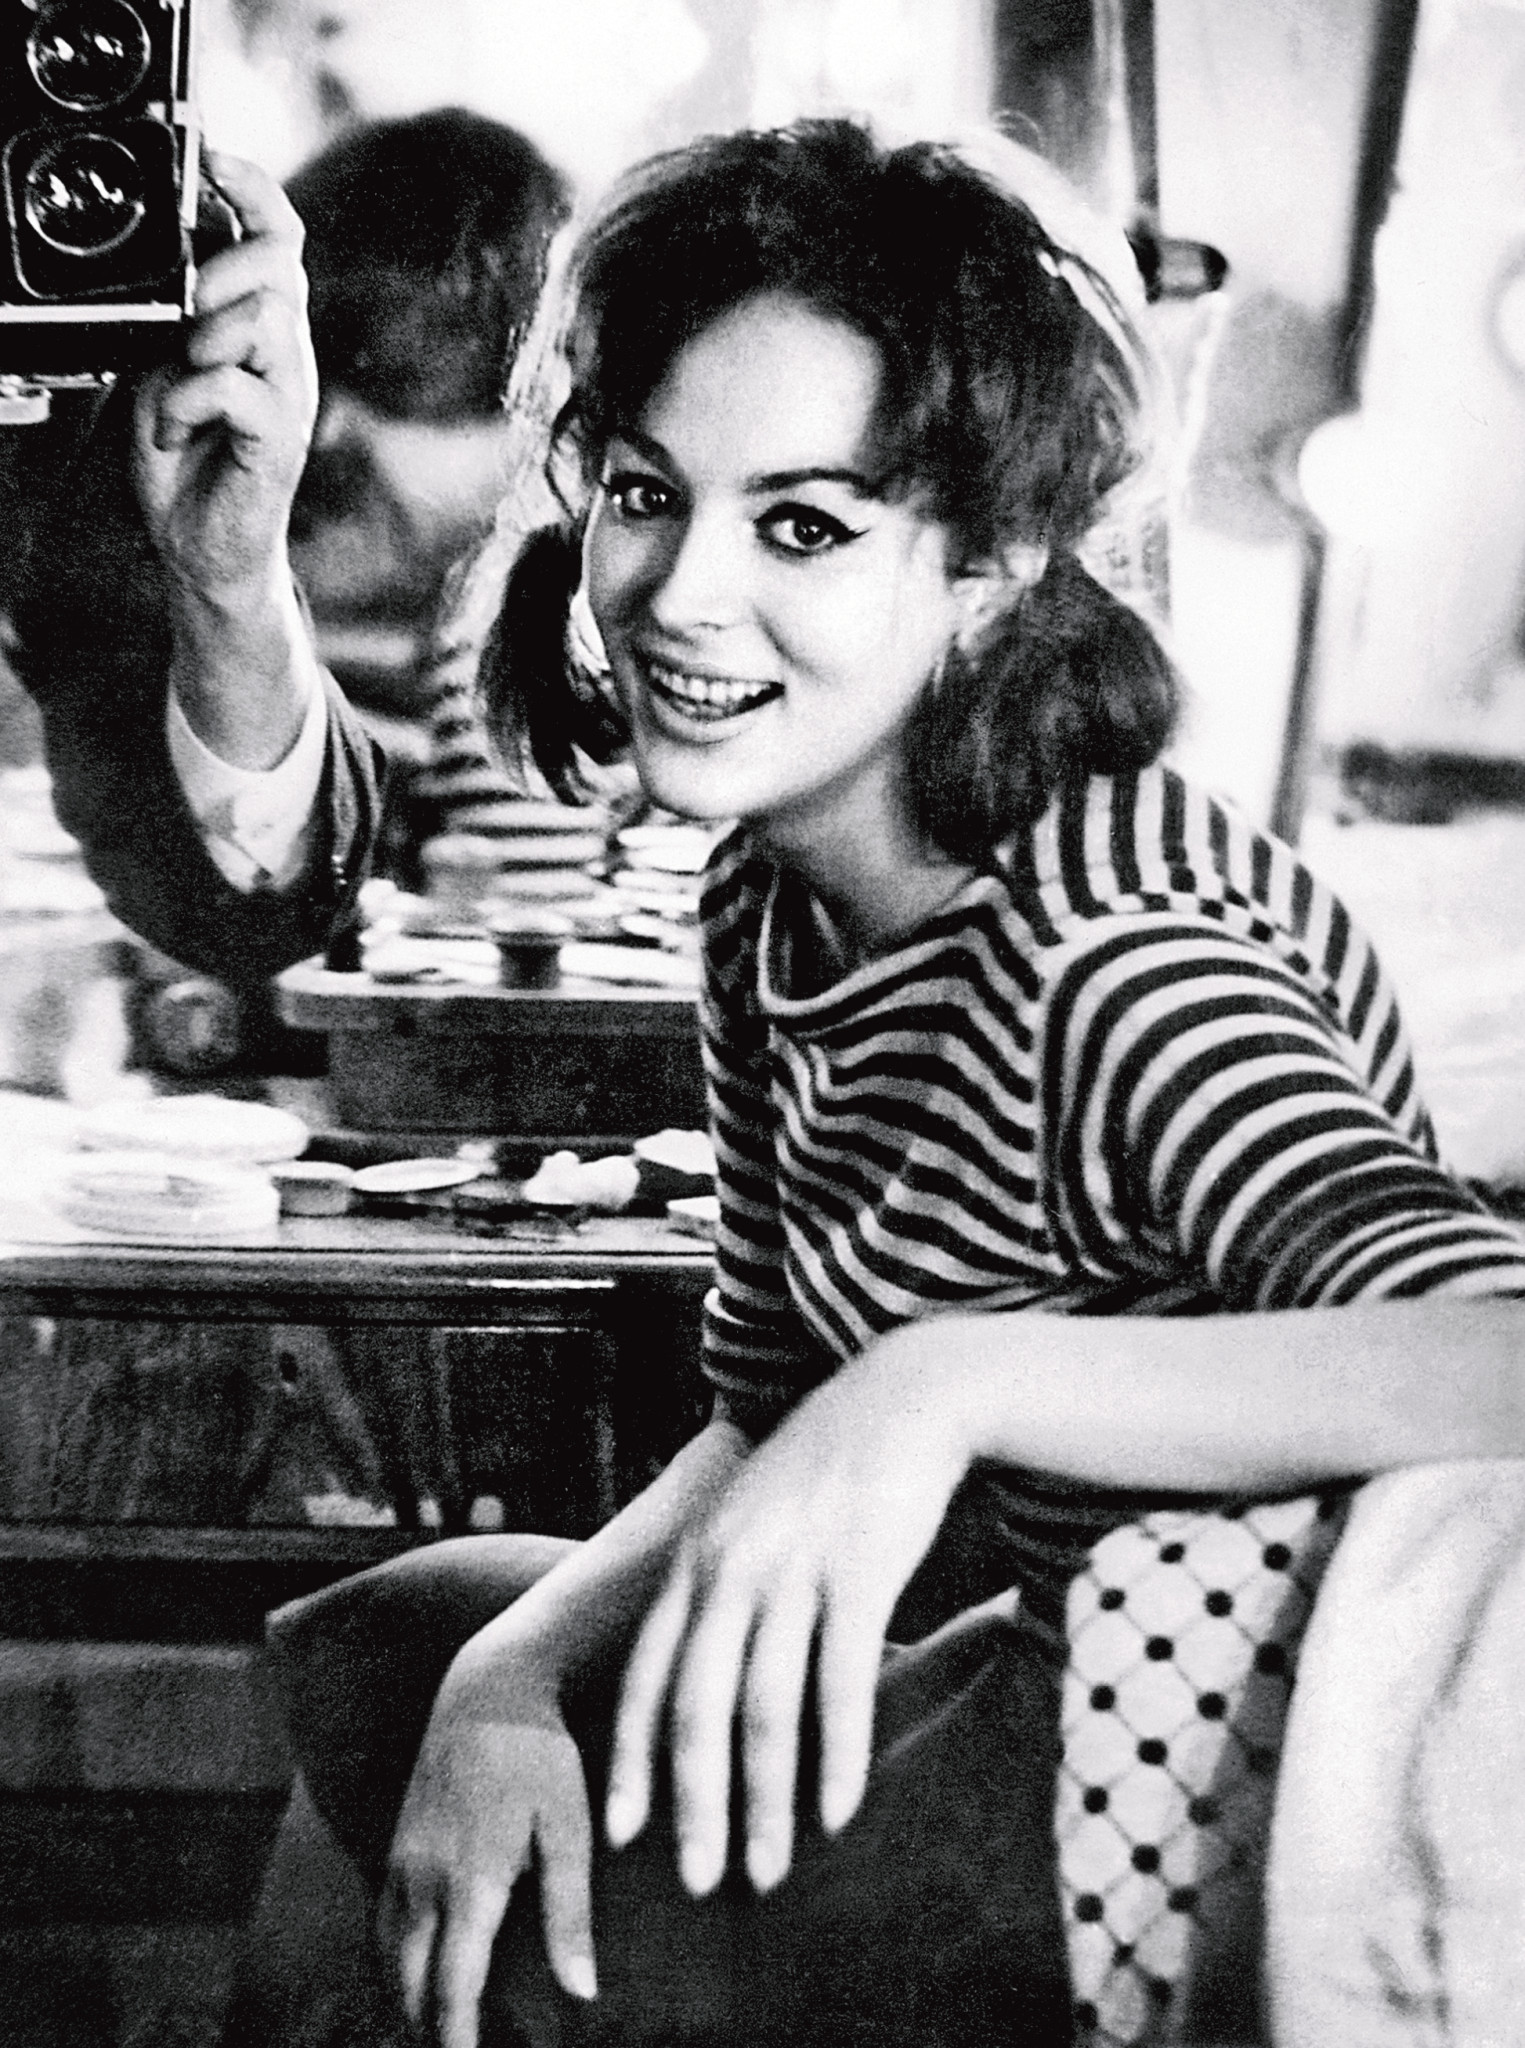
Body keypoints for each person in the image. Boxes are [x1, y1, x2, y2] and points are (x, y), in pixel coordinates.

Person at [26, 119, 1525, 2048]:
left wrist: (944, 1381)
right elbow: (770, 1405)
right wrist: (509, 1677)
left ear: (990, 569)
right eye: (648, 493)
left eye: (805, 525)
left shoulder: (1123, 954)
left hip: (1206, 1774)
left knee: (490, 1951)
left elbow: (1497, 1348)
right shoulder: (767, 891)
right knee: (400, 1656)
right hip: (1014, 1652)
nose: (680, 595)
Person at [6, 108, 570, 990]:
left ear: (544, 397)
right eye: (317, 360)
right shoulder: (169, 570)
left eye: (399, 385)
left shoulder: (542, 626)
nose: (323, 424)